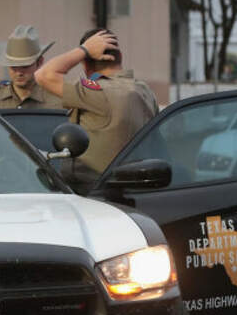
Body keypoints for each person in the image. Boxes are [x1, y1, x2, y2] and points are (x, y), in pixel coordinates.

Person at [35, 27, 159, 193]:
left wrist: (84, 49)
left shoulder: (98, 91)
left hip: (92, 192)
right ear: (120, 57)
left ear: (85, 63)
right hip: (137, 190)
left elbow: (43, 75)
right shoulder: (144, 91)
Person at [0, 25, 62, 110]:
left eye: (25, 66)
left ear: (39, 62)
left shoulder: (56, 103)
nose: (19, 73)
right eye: (14, 66)